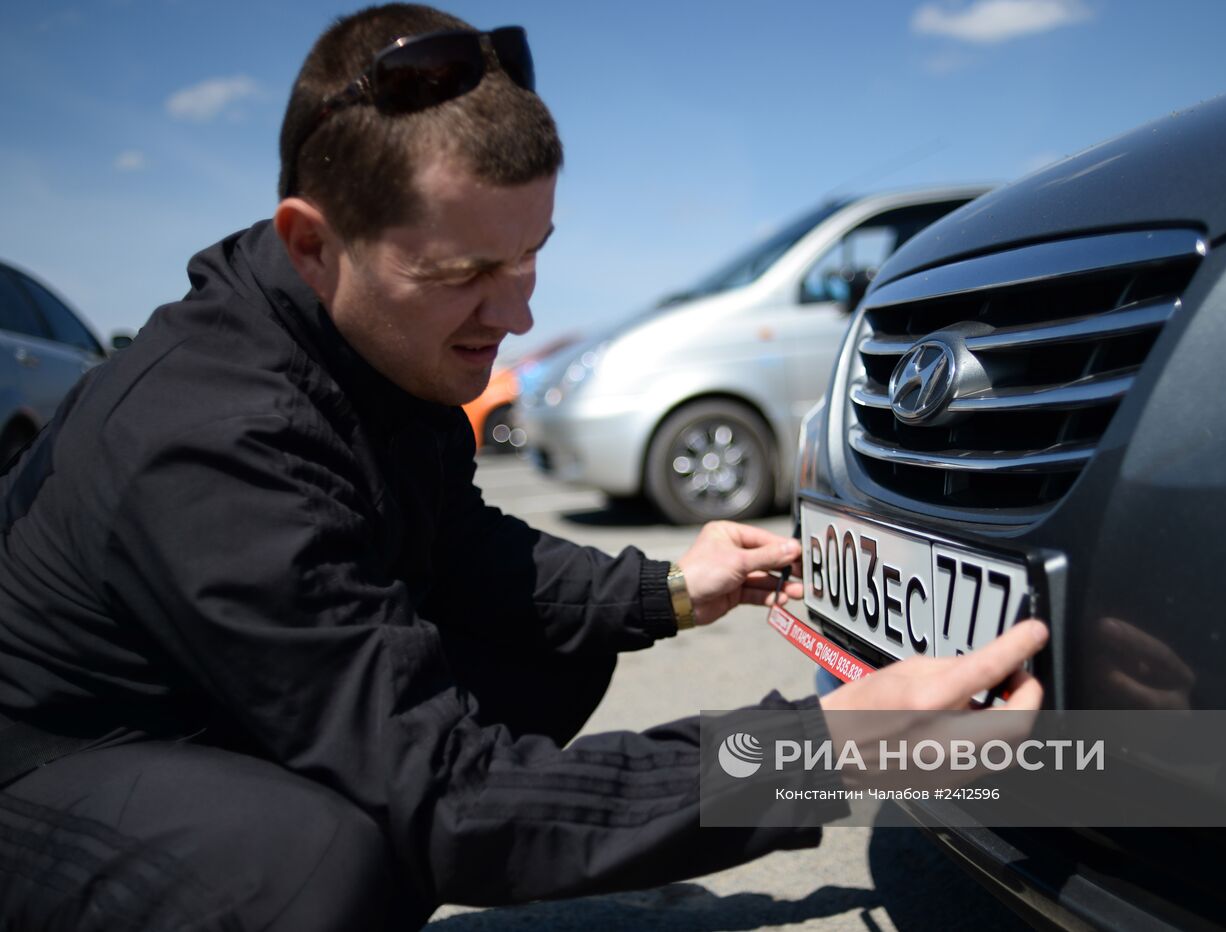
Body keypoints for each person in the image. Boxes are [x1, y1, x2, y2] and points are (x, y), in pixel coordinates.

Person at [0, 4, 1049, 929]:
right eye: (464, 272)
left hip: (208, 710)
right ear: (311, 243)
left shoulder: (364, 344)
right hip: (46, 784)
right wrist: (816, 748)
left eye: (529, 254)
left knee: (560, 640)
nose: (518, 314)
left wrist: (670, 589)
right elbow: (448, 789)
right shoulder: (210, 435)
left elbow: (467, 549)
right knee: (306, 863)